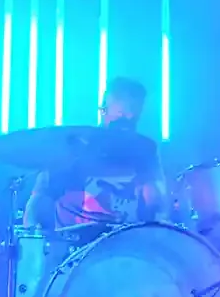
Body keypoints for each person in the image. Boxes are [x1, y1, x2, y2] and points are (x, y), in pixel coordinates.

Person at [23, 77, 168, 229]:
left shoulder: (144, 148)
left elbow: (156, 201)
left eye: (134, 111)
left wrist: (159, 216)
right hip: (77, 243)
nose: (130, 116)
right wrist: (31, 236)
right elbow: (41, 196)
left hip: (125, 241)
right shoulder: (76, 145)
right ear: (103, 109)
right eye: (122, 112)